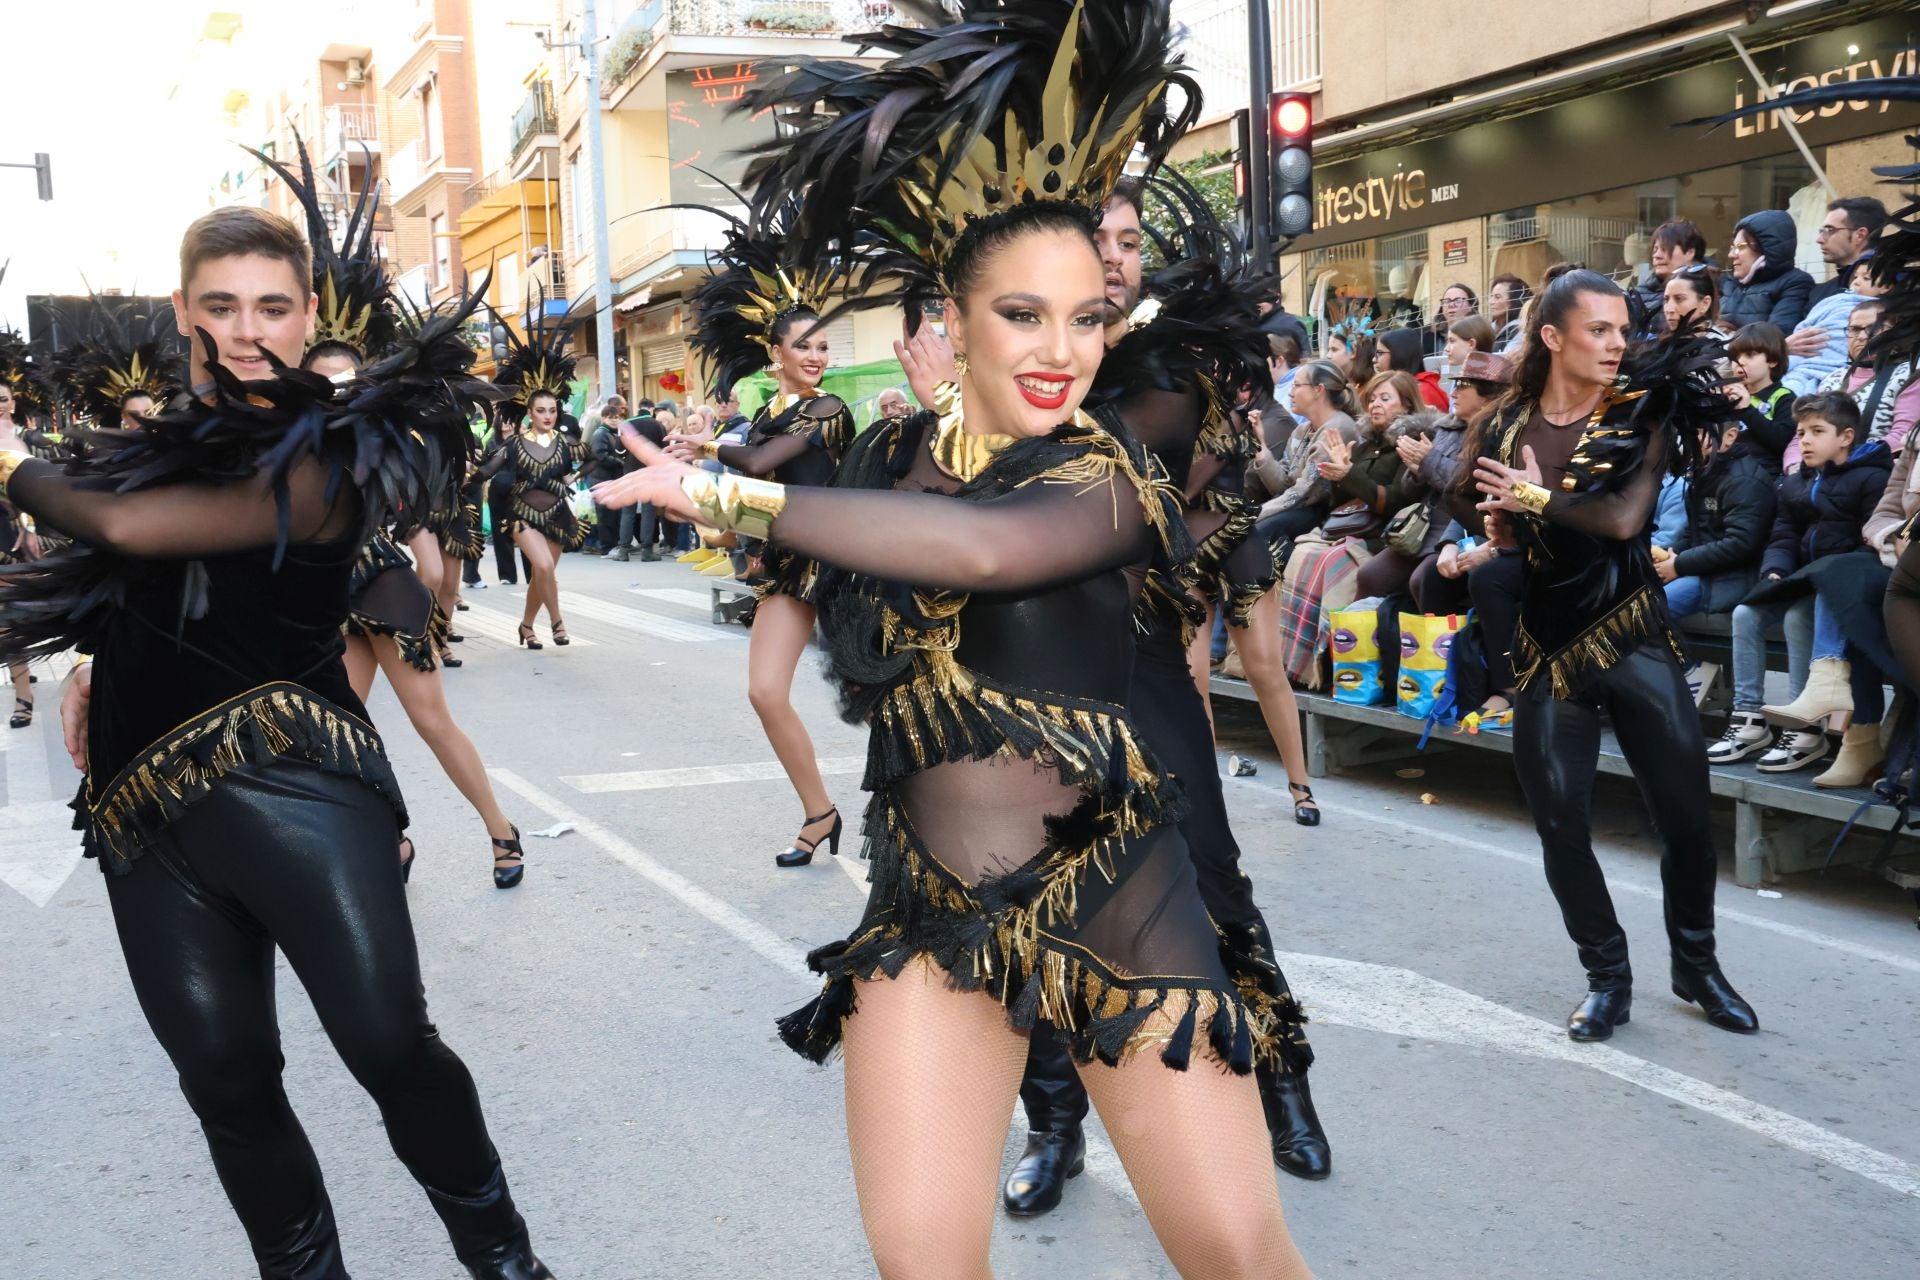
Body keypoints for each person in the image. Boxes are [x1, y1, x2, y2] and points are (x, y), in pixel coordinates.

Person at [607, 5, 1315, 1274]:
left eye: (1089, 317)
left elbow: (991, 553)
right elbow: (855, 582)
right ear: (955, 314)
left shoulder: (1110, 471)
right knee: (921, 1258)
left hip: (1117, 896)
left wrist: (718, 493)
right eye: (1025, 315)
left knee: (1238, 1252)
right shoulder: (887, 459)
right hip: (930, 902)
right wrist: (731, 470)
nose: (1063, 352)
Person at [0, 204, 551, 1279]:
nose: (249, 331)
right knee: (224, 1076)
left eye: (272, 306)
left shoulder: (333, 456)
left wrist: (8, 450)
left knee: (390, 1046)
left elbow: (131, 530)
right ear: (183, 313)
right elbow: (144, 580)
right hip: (144, 811)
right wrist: (91, 662)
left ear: (307, 317)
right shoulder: (154, 451)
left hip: (301, 788)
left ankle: (509, 1264)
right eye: (221, 305)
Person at [1472, 268, 1758, 1043]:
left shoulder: (1640, 407)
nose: (1615, 343)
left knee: (1687, 823)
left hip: (1631, 632)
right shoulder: (1506, 424)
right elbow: (1503, 516)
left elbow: (1625, 519)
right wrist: (1504, 531)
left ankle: (1695, 965)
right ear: (1553, 337)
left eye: (1622, 330)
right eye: (1598, 330)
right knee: (1559, 825)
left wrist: (1534, 502)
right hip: (1545, 645)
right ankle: (1608, 977)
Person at [666, 206, 856, 869]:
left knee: (897, 695)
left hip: (852, 562)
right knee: (765, 692)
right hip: (790, 566)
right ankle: (819, 813)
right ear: (776, 353)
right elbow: (755, 505)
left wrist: (706, 444)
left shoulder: (825, 409)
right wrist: (701, 507)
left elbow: (760, 467)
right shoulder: (765, 414)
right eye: (804, 345)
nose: (815, 356)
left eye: (824, 345)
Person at [1724, 395, 1892, 771]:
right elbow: (1783, 535)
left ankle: (1804, 729)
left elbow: (1868, 549)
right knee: (1745, 613)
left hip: (1842, 588)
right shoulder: (1798, 481)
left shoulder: (1873, 478)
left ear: (1846, 436)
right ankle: (1748, 717)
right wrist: (1776, 570)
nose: (1805, 441)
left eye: (1817, 432)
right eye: (1801, 432)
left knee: (1798, 618)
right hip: (1801, 579)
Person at [478, 314, 586, 649]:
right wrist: (462, 472)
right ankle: (558, 623)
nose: (548, 415)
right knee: (541, 566)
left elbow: (588, 460)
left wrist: (582, 478)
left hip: (558, 515)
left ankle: (526, 625)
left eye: (552, 410)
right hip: (521, 515)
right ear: (529, 413)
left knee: (542, 576)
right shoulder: (513, 444)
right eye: (541, 410)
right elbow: (486, 470)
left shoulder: (565, 443)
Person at [1658, 415, 1776, 625]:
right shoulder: (1703, 473)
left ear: (1730, 437)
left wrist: (1679, 564)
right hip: (1703, 571)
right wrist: (1668, 555)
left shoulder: (1743, 481)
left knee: (1646, 614)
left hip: (1728, 578)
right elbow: (1692, 534)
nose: (1689, 440)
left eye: (1699, 432)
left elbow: (1741, 544)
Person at [1248, 358, 1360, 562]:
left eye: (1297, 385)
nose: (1290, 392)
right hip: (1302, 508)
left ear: (1319, 390)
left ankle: (1277, 590)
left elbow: (1302, 495)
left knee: (1258, 532)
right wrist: (1260, 445)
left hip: (1325, 513)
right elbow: (1282, 485)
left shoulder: (1337, 429)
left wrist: (1252, 514)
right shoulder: (1303, 429)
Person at [1811, 296, 1919, 456]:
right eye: (1854, 329)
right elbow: (1805, 430)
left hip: (1877, 469)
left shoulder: (1911, 374)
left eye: (1872, 328)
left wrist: (1847, 459)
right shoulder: (1831, 379)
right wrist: (1794, 465)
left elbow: (1903, 436)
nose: (1861, 337)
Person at [1783, 254, 1871, 397]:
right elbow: (1807, 325)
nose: (1856, 282)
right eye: (1855, 277)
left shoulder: (1884, 314)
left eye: (1866, 278)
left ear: (1886, 287)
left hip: (1840, 369)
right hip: (1807, 359)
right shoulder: (1835, 300)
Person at [1721, 211, 1814, 331]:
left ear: (1765, 247)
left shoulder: (1795, 283)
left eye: (1740, 247)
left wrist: (1729, 336)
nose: (1731, 255)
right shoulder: (1730, 283)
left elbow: (1775, 338)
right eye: (1732, 247)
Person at [1722, 321, 1797, 470]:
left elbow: (1782, 442)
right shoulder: (1729, 395)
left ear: (1773, 360)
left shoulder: (1784, 397)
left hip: (1762, 474)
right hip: (1724, 470)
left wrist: (1747, 410)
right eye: (1734, 356)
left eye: (1750, 355)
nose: (1740, 362)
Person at [1806, 195, 1888, 309]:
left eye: (1829, 230)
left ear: (1859, 235)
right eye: (1821, 231)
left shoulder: (1900, 288)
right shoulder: (1819, 293)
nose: (1819, 239)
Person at [1634, 218, 1709, 332]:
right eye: (1655, 250)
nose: (1657, 255)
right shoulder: (1638, 295)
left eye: (1665, 249)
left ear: (1690, 252)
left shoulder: (1719, 291)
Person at [1376, 327, 1449, 409]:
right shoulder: (1405, 386)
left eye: (1380, 353)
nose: (1374, 359)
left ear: (1399, 354)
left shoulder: (1422, 391)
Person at [1426, 282, 1477, 356]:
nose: (1451, 305)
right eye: (1447, 301)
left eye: (1458, 300)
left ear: (1470, 306)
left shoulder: (1479, 335)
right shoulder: (1428, 337)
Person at [1488, 273, 1529, 350]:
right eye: (1491, 296)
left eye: (1497, 297)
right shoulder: (1488, 329)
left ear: (1514, 301)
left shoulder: (1520, 330)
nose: (1490, 302)